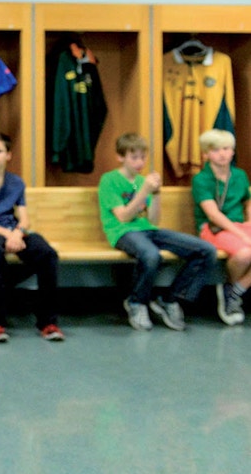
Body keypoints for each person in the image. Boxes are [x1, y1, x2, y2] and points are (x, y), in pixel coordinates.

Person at [99, 132, 216, 331]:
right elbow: (123, 217)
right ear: (121, 157)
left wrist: (156, 194)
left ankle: (170, 299)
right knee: (151, 255)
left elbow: (153, 219)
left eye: (143, 157)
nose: (139, 162)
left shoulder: (142, 181)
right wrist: (144, 191)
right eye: (134, 157)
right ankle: (136, 302)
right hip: (122, 232)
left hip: (148, 230)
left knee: (206, 250)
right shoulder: (109, 180)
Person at [0, 132, 64, 342]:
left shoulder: (16, 182)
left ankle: (48, 322)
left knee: (47, 254)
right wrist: (8, 235)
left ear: (8, 155)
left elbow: (24, 219)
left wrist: (17, 233)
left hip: (13, 230)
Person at [190, 129, 250, 326]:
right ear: (205, 154)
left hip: (240, 226)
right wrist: (242, 234)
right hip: (214, 228)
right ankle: (232, 293)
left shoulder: (240, 175)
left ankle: (234, 290)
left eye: (226, 149)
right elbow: (213, 214)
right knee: (244, 253)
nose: (222, 154)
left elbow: (248, 203)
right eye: (215, 150)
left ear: (233, 151)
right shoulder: (201, 180)